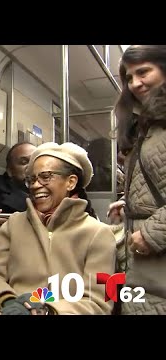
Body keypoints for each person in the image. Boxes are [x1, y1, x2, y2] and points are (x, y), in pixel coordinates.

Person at [0, 142, 116, 315]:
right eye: (32, 179)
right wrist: (10, 303)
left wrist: (48, 310)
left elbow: (99, 301)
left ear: (71, 182)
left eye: (46, 176)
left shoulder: (98, 233)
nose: (35, 185)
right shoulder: (13, 225)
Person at [109, 45, 166, 315]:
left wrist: (152, 232)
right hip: (146, 270)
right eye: (129, 77)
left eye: (143, 72)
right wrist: (130, 203)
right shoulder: (148, 125)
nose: (135, 83)